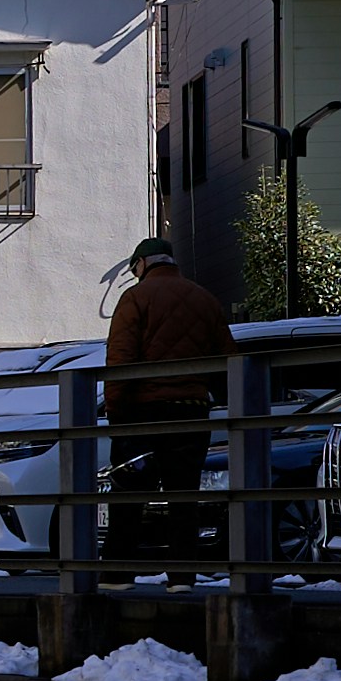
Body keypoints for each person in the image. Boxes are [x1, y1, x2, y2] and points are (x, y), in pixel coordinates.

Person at [105, 238, 233, 558]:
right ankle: (182, 575)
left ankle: (117, 573)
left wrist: (115, 413)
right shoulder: (205, 299)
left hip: (142, 413)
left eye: (135, 268)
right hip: (191, 410)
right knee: (184, 496)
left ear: (143, 264)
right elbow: (227, 362)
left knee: (128, 495)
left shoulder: (134, 298)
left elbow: (120, 360)